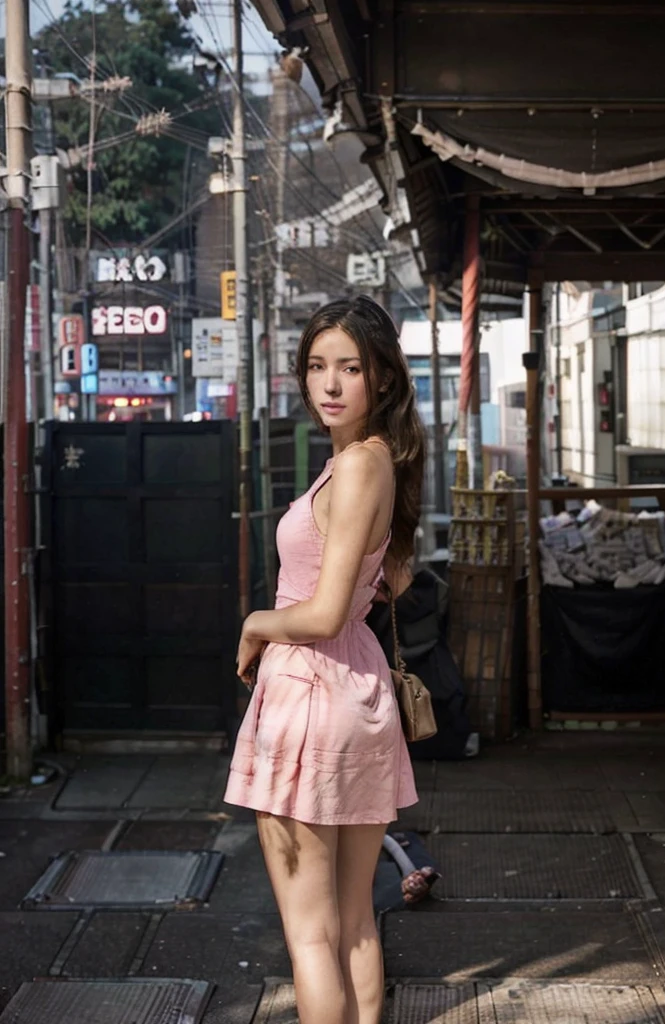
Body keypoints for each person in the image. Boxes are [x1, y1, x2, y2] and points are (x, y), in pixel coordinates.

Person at [224, 296, 424, 1024]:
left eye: (350, 367)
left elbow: (326, 611)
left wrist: (254, 624)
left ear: (382, 378)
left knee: (312, 936)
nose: (330, 384)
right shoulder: (378, 462)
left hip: (311, 695)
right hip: (356, 693)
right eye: (317, 366)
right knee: (354, 923)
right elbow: (390, 578)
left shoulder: (360, 467)